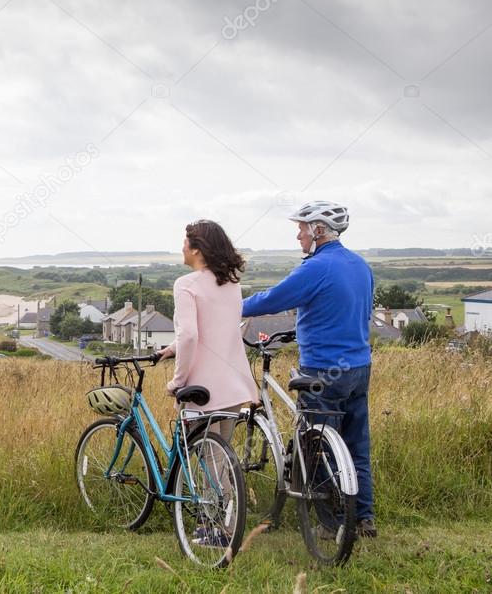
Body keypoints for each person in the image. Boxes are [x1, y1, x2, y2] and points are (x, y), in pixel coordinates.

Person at [241, 200, 377, 538]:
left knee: (315, 447)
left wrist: (230, 306)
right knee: (355, 446)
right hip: (358, 367)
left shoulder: (316, 268)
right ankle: (363, 519)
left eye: (302, 228)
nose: (298, 234)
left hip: (323, 371)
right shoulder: (361, 266)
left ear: (319, 230)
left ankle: (332, 525)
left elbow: (272, 299)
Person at [155, 220, 259, 546]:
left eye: (185, 242)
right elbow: (216, 332)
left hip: (202, 389)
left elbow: (190, 335)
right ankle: (216, 524)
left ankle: (221, 532)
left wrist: (178, 380)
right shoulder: (231, 285)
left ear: (196, 248)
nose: (182, 248)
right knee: (219, 456)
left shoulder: (186, 284)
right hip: (233, 384)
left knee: (209, 460)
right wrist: (170, 349)